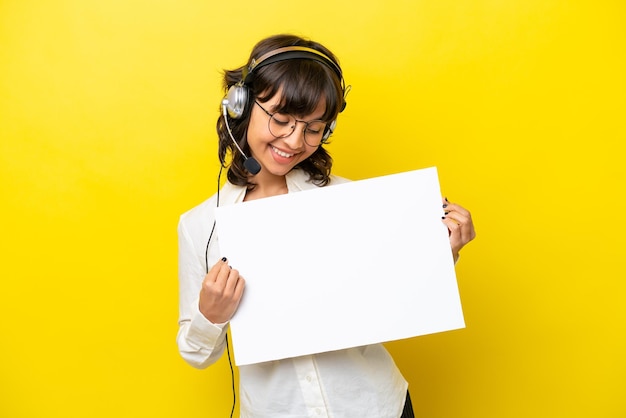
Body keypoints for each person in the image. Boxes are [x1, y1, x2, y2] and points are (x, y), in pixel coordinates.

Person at [177, 34, 476, 418]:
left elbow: (395, 295)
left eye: (314, 128)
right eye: (281, 120)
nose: (295, 140)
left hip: (375, 405)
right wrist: (211, 314)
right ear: (241, 106)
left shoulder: (347, 200)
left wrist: (443, 253)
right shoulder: (200, 226)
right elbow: (196, 354)